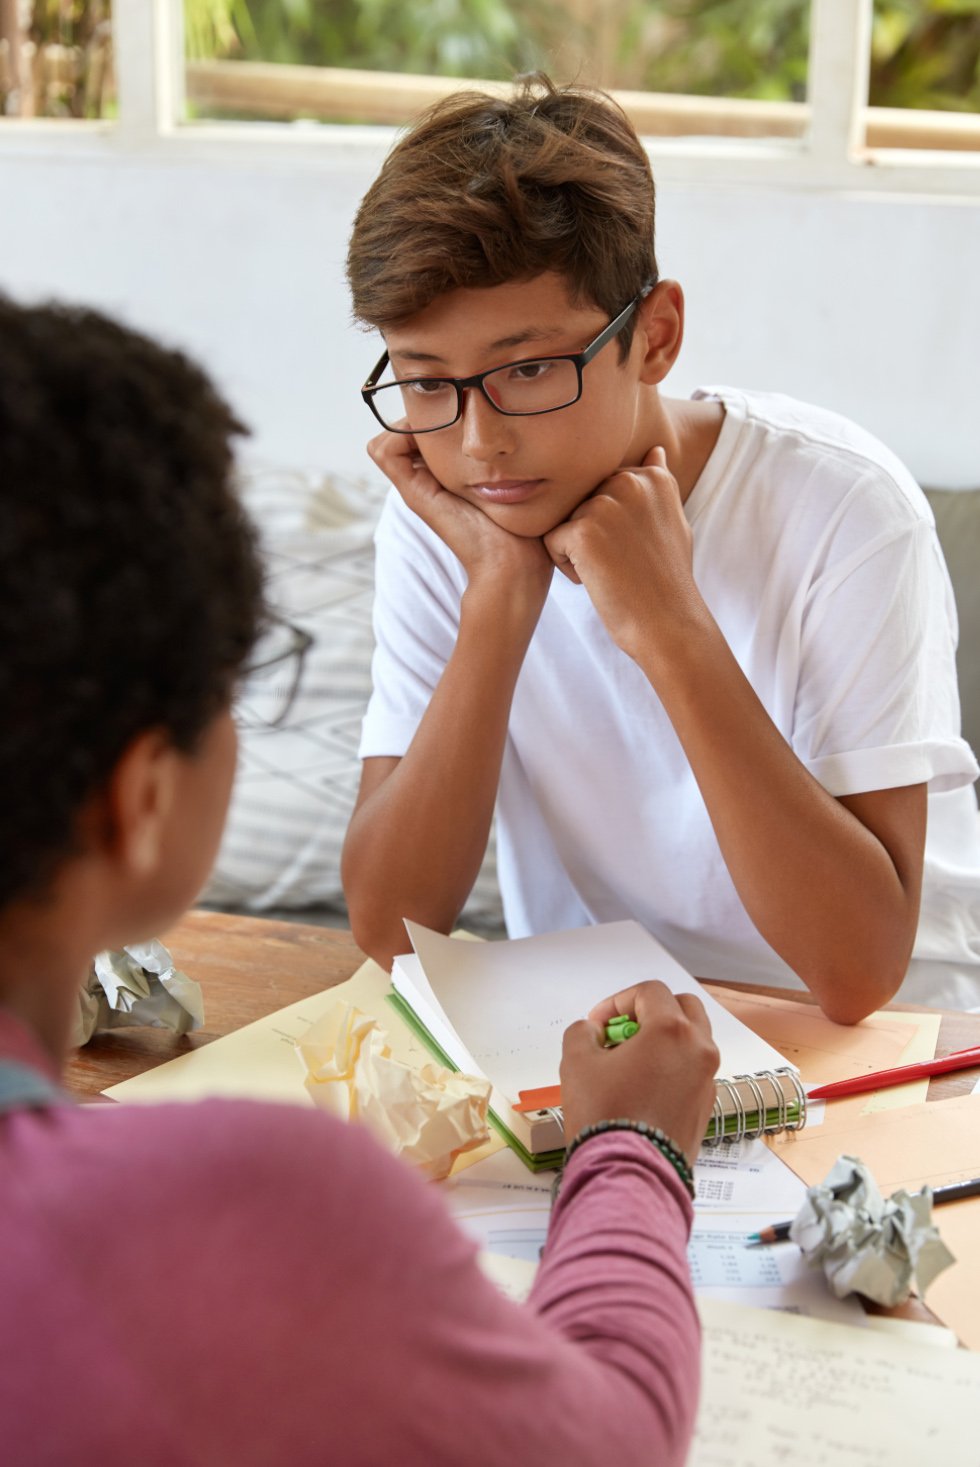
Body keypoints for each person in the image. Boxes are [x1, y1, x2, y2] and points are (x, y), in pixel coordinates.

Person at [0, 296, 720, 1467]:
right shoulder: (241, 1212)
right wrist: (635, 1150)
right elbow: (613, 1443)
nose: (481, 438)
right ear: (138, 800)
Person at [341, 74, 980, 1020]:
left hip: (895, 1045)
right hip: (607, 1042)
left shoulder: (847, 507)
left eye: (528, 369)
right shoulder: (452, 523)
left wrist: (671, 624)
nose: (478, 444)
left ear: (656, 334)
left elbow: (858, 972)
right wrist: (499, 599)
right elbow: (391, 930)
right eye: (428, 383)